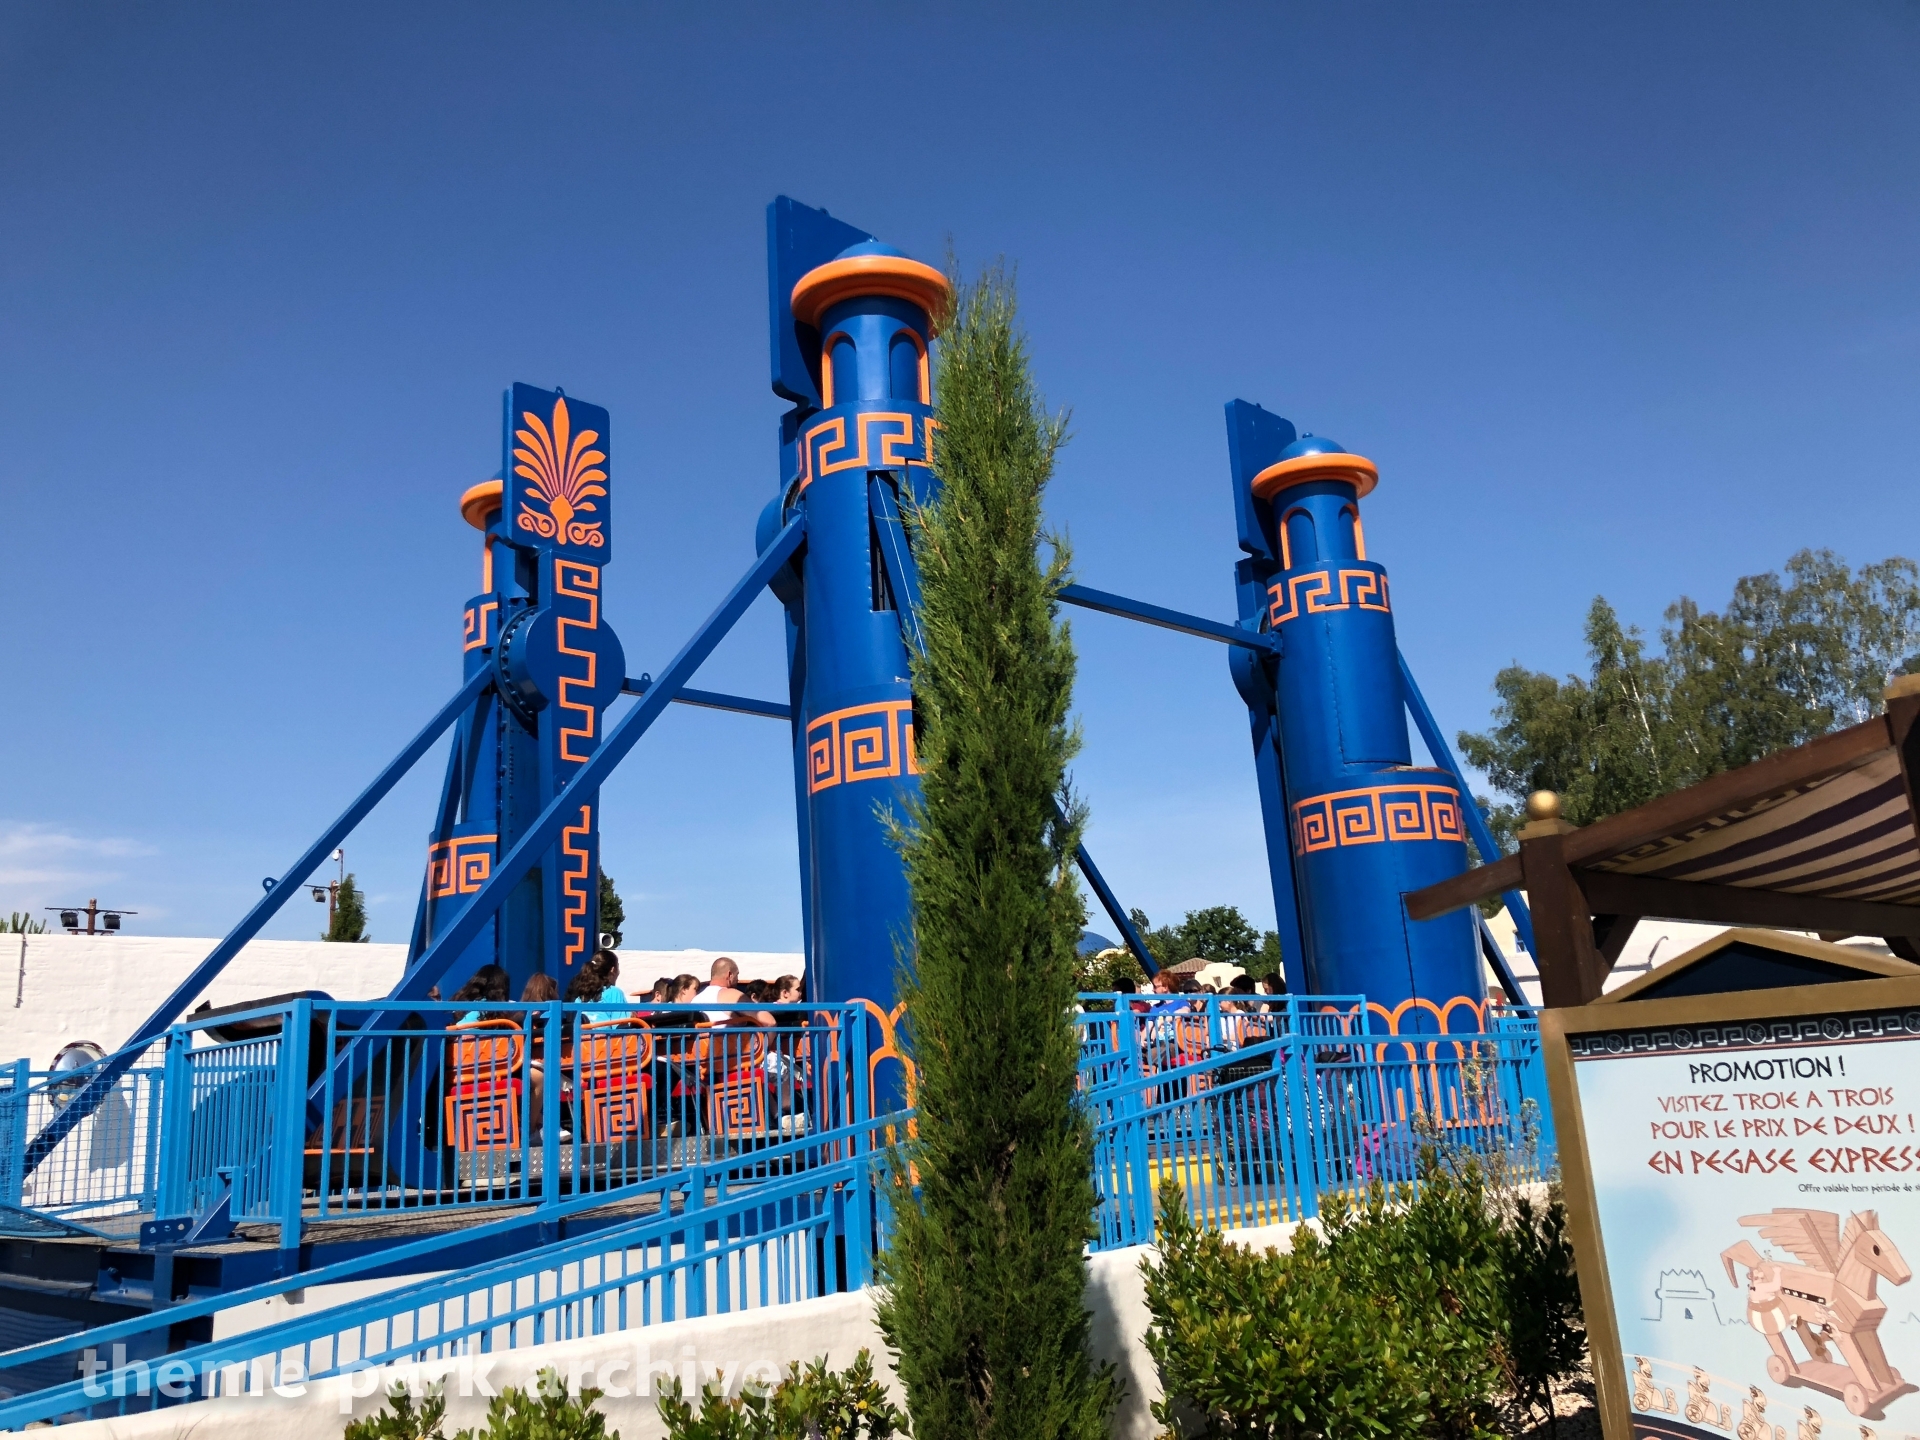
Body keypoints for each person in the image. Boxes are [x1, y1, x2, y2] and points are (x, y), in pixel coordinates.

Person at [518, 973, 559, 1138]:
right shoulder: (549, 1016)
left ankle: (542, 1123)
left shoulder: (518, 1014)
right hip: (525, 1065)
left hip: (525, 1063)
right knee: (542, 1076)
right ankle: (531, 1129)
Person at [693, 956, 744, 1023]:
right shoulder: (731, 994)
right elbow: (757, 1014)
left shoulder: (695, 1000)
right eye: (736, 975)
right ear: (730, 975)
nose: (737, 980)